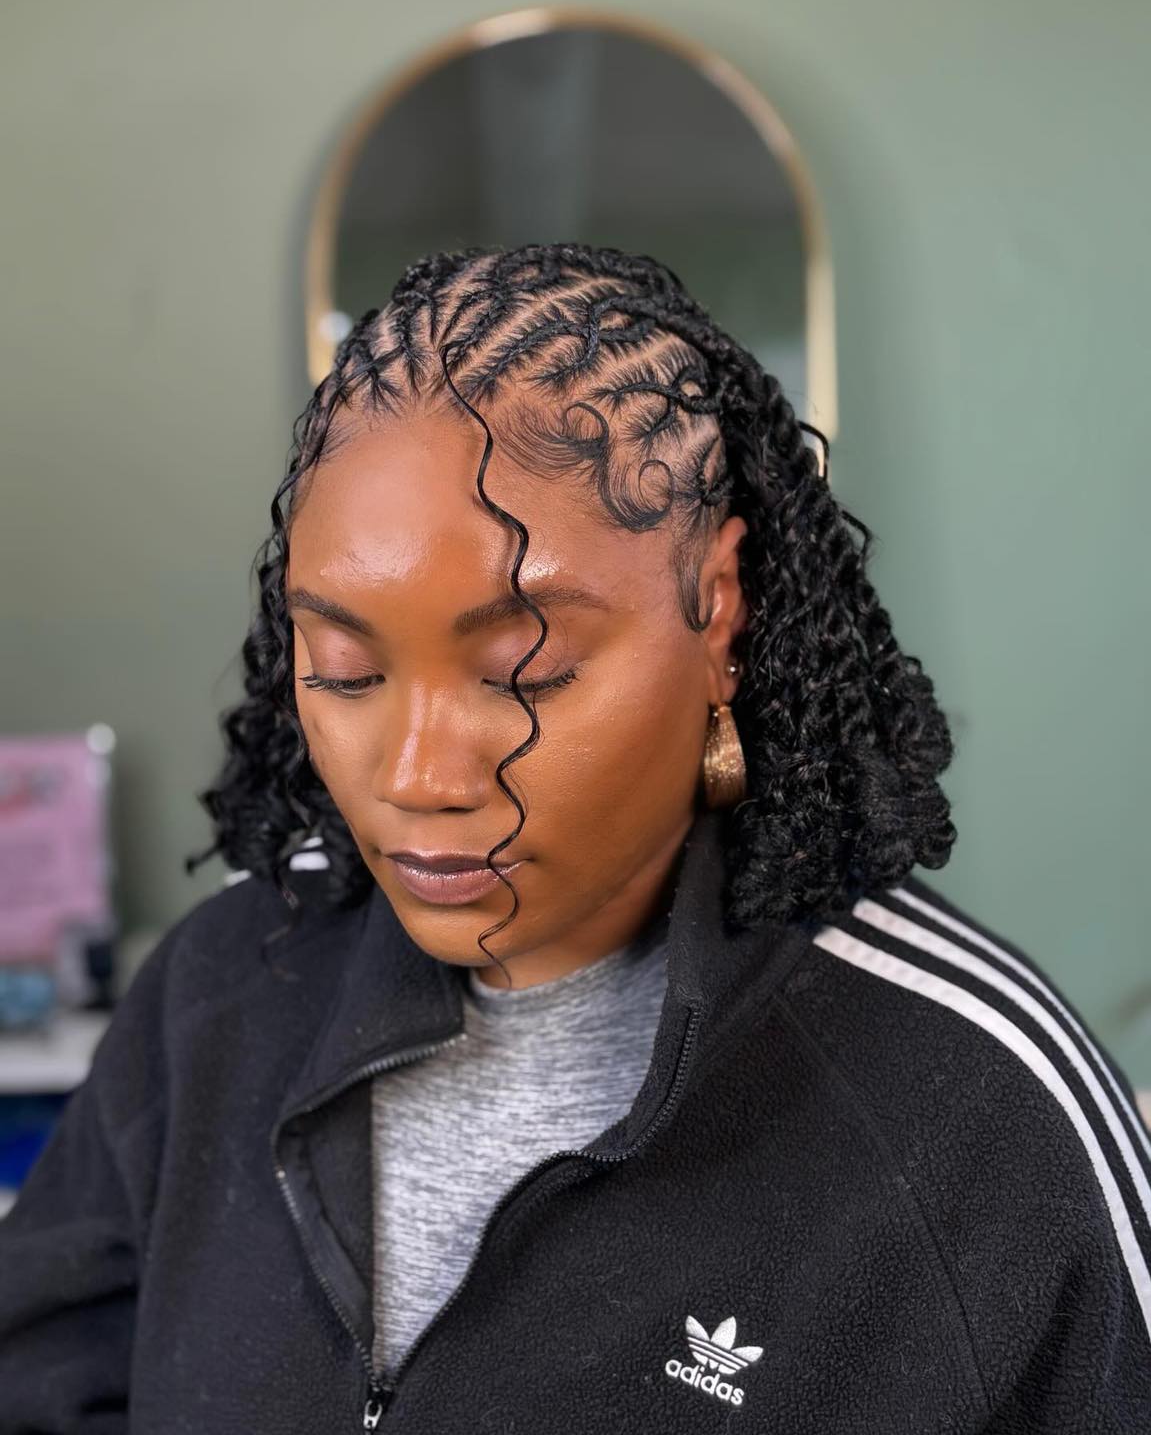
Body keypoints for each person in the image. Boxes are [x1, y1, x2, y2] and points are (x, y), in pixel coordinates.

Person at [1, 242, 1147, 1433]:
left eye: (523, 671)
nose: (416, 776)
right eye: (343, 669)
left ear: (717, 611)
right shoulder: (217, 997)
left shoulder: (978, 1119)